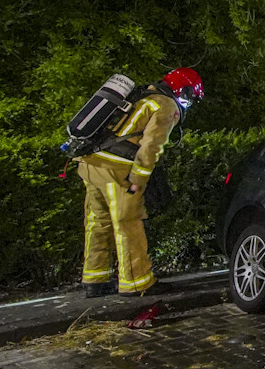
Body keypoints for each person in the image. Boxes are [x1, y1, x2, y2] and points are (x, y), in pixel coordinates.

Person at [78, 67, 203, 298]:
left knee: (98, 222)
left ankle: (94, 280)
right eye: (190, 98)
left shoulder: (142, 95)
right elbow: (151, 147)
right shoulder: (166, 106)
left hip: (92, 162)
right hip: (117, 170)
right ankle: (136, 282)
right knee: (128, 224)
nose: (188, 104)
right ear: (183, 91)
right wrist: (137, 180)